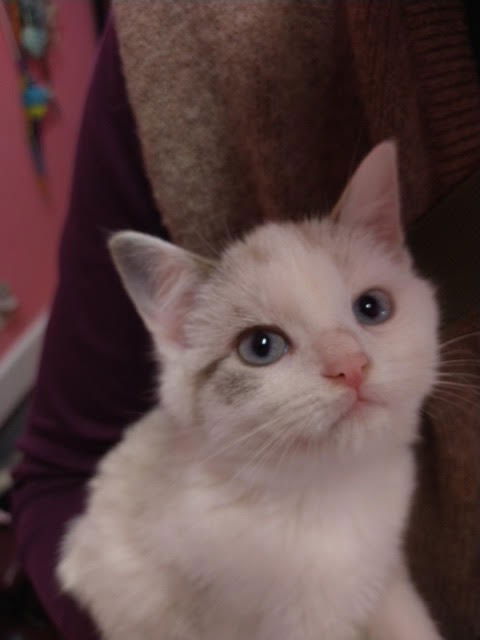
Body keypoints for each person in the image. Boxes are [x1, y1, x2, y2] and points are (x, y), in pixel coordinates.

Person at [12, 4, 480, 638]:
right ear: (178, 338)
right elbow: (59, 471)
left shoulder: (379, 473)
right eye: (263, 344)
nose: (350, 363)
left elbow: (380, 581)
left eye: (372, 308)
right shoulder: (246, 557)